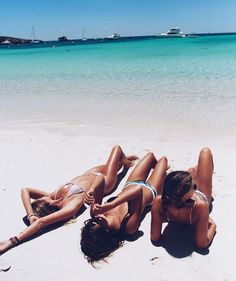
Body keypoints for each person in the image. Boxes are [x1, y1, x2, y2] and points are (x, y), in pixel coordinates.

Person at [0, 145, 137, 254]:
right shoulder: (70, 207)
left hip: (90, 172)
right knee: (117, 150)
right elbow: (41, 223)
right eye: (40, 200)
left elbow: (25, 190)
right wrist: (12, 241)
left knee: (114, 162)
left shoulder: (53, 196)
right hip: (104, 181)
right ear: (46, 207)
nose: (41, 197)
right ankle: (125, 163)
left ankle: (123, 163)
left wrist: (30, 215)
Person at [80, 152, 168, 263]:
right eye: (97, 222)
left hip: (130, 183)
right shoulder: (127, 227)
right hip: (150, 190)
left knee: (150, 156)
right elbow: (137, 191)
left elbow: (101, 178)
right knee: (163, 160)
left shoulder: (95, 213)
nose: (96, 217)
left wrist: (92, 190)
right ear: (106, 231)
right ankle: (161, 175)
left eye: (92, 222)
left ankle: (158, 171)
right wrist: (112, 204)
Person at [151, 147, 216, 249]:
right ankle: (195, 173)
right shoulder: (201, 206)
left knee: (189, 175)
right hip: (202, 194)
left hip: (181, 192)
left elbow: (155, 237)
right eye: (194, 187)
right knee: (205, 152)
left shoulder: (160, 201)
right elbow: (202, 244)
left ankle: (193, 173)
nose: (194, 188)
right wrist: (213, 226)